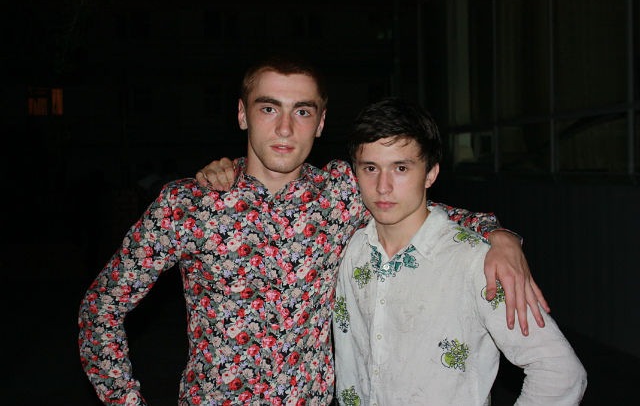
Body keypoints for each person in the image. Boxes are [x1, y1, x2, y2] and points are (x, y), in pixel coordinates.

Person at [79, 55, 546, 405]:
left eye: (302, 111)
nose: (285, 128)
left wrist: (500, 236)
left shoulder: (342, 192)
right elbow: (100, 309)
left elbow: (419, 208)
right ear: (242, 114)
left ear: (320, 122)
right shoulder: (189, 204)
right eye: (268, 109)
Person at [331, 97, 587, 405]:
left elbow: (560, 371)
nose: (383, 186)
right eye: (370, 168)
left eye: (401, 168)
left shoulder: (476, 262)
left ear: (430, 173)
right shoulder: (347, 250)